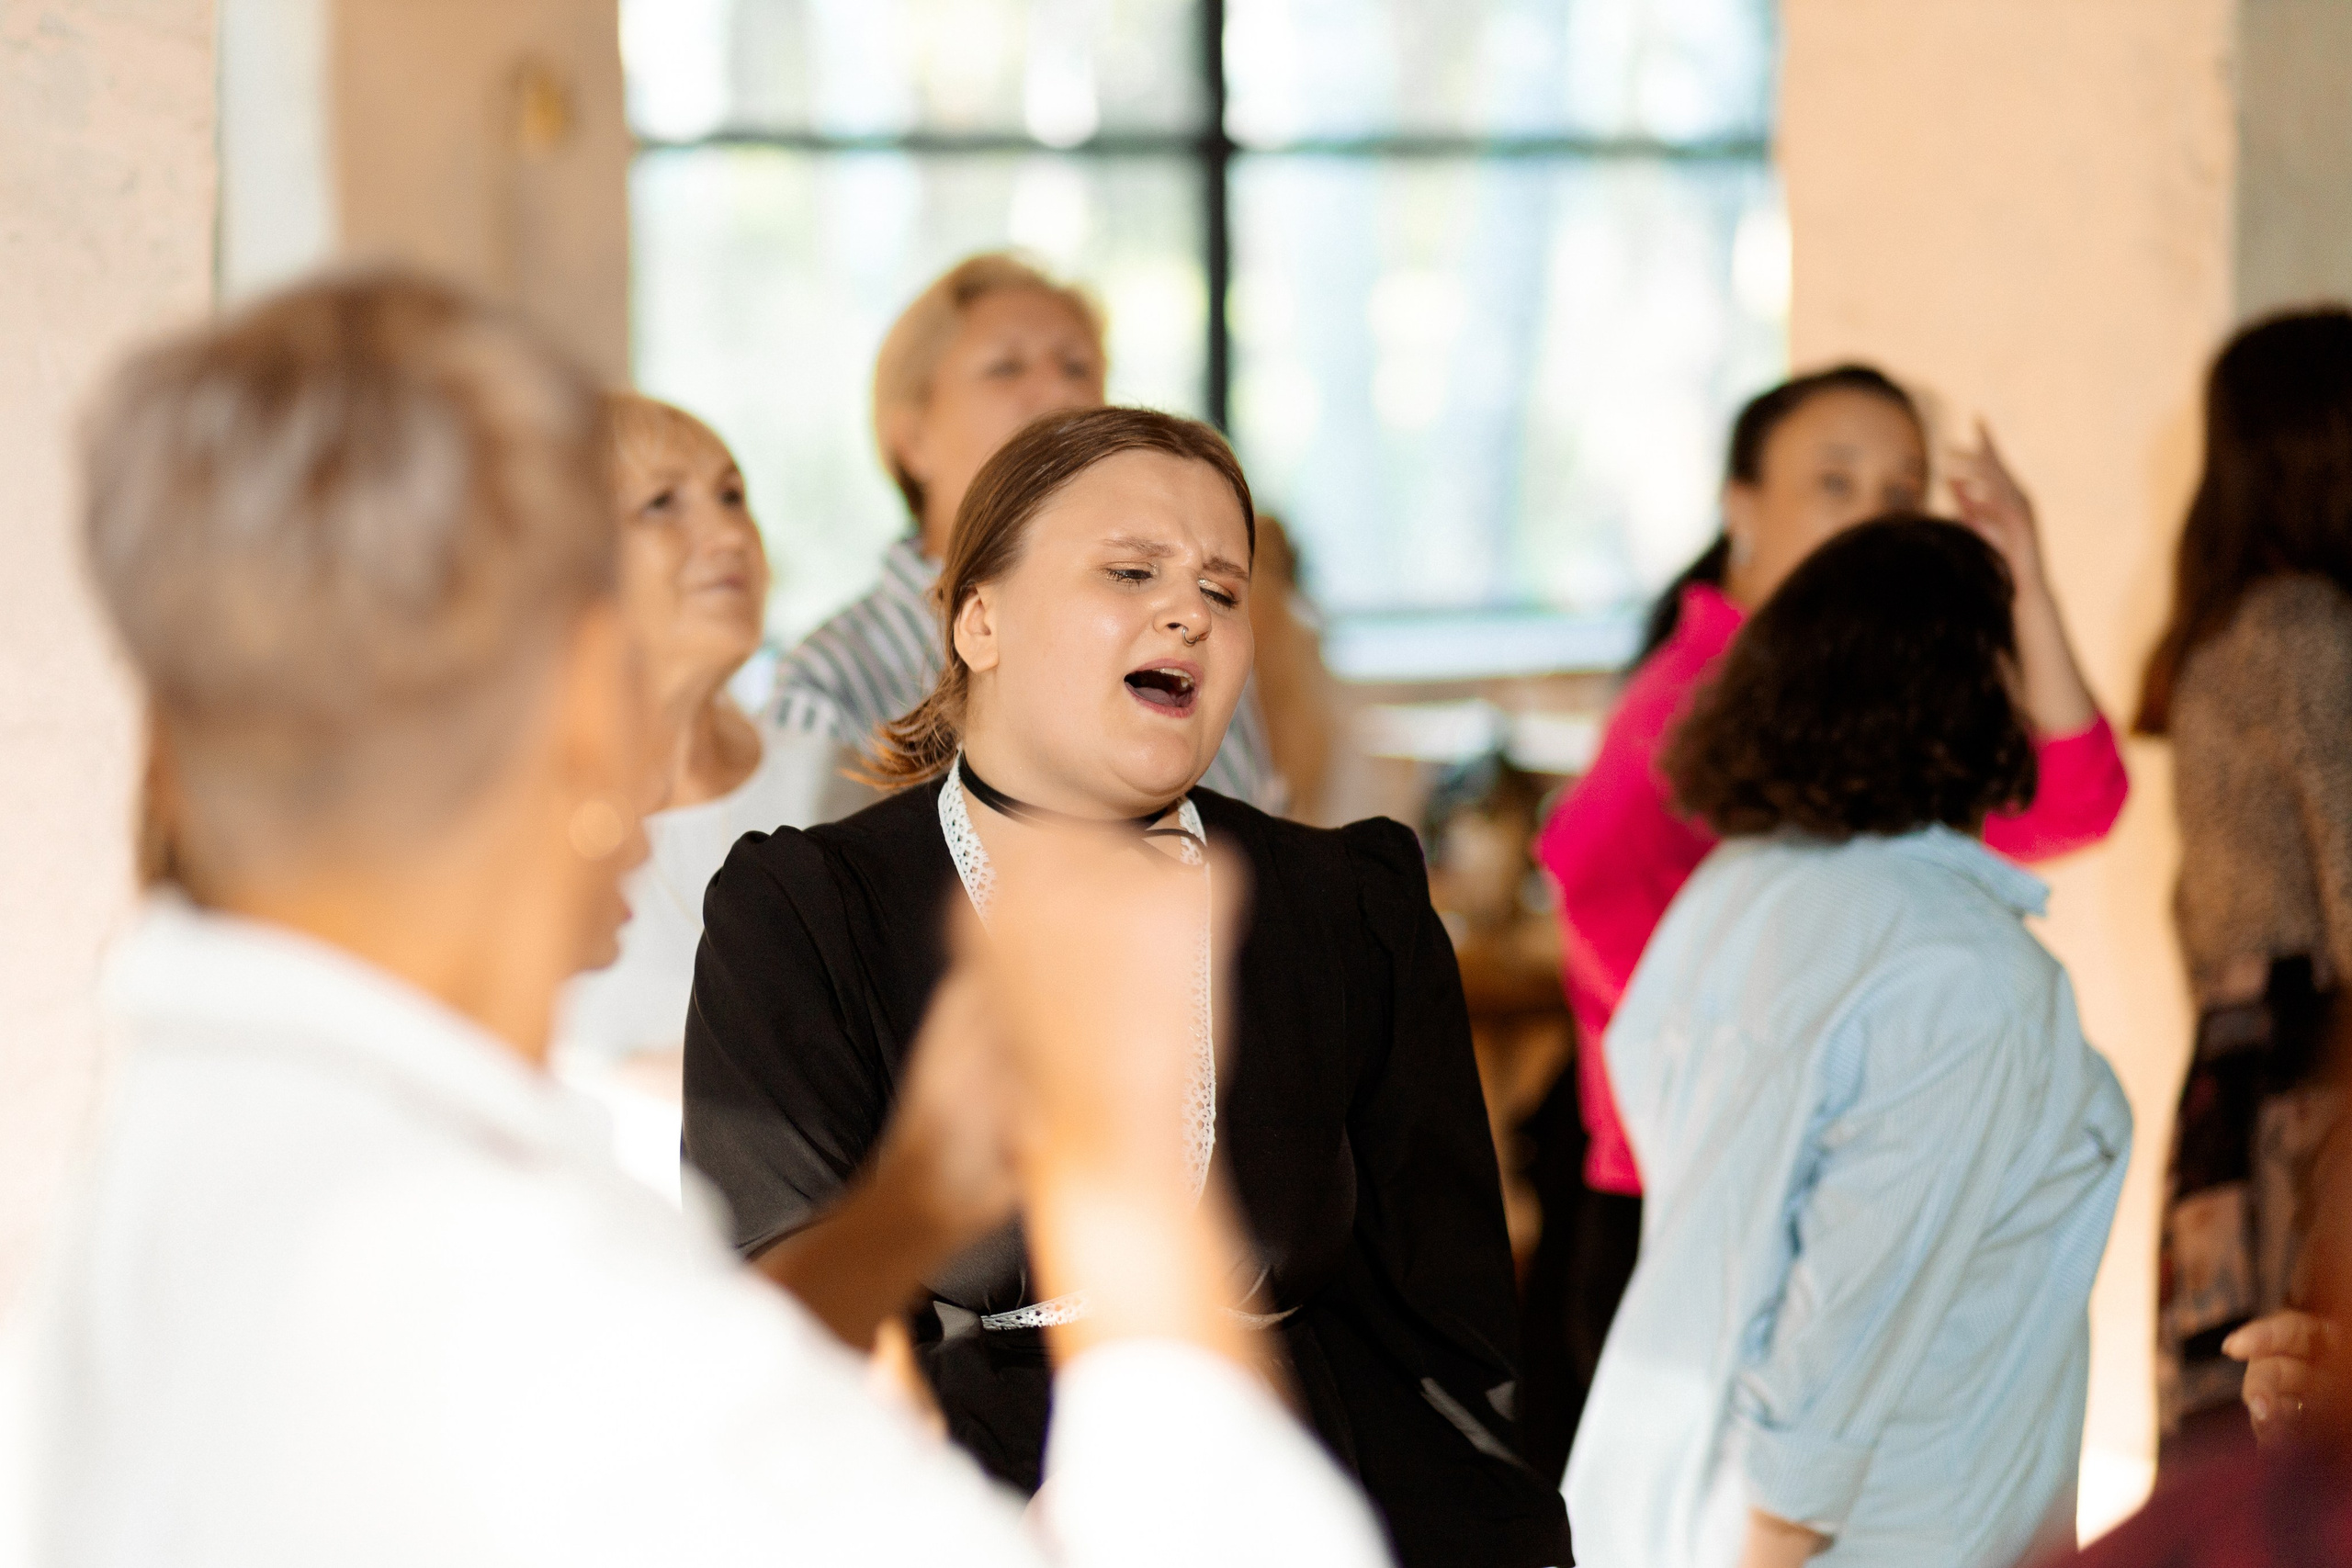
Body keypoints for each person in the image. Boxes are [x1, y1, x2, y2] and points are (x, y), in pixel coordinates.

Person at [2, 271, 1391, 1568]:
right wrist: (1120, 1181)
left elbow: (693, 1392)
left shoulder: (206, 1125)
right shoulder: (455, 1267)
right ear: (568, 706)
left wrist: (907, 1205)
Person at [684, 405, 1572, 1567]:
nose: (1188, 613)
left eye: (1222, 589)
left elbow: (1450, 1354)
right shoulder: (806, 911)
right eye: (1131, 571)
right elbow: (784, 1316)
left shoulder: (1346, 904)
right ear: (978, 619)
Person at [1529, 364, 2130, 1467]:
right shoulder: (1687, 697)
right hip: (1685, 1214)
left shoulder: (1873, 714)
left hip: (1800, 1213)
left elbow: (2076, 799)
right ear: (1741, 508)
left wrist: (2023, 578)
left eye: (1901, 491)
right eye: (1835, 483)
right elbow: (1598, 898)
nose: (1872, 519)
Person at [769, 252, 1280, 813]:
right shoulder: (830, 681)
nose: (1057, 395)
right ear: (912, 439)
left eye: (1077, 368)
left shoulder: (1186, 633)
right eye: (1006, 368)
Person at [2132, 307, 2352, 1456]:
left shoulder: (2217, 634)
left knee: (2235, 1443)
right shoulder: (2307, 626)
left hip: (2231, 1072)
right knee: (2303, 1435)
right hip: (2308, 1071)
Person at [551, 392, 831, 1196]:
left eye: (733, 495)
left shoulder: (836, 784)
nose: (729, 534)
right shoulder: (513, 818)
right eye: (661, 504)